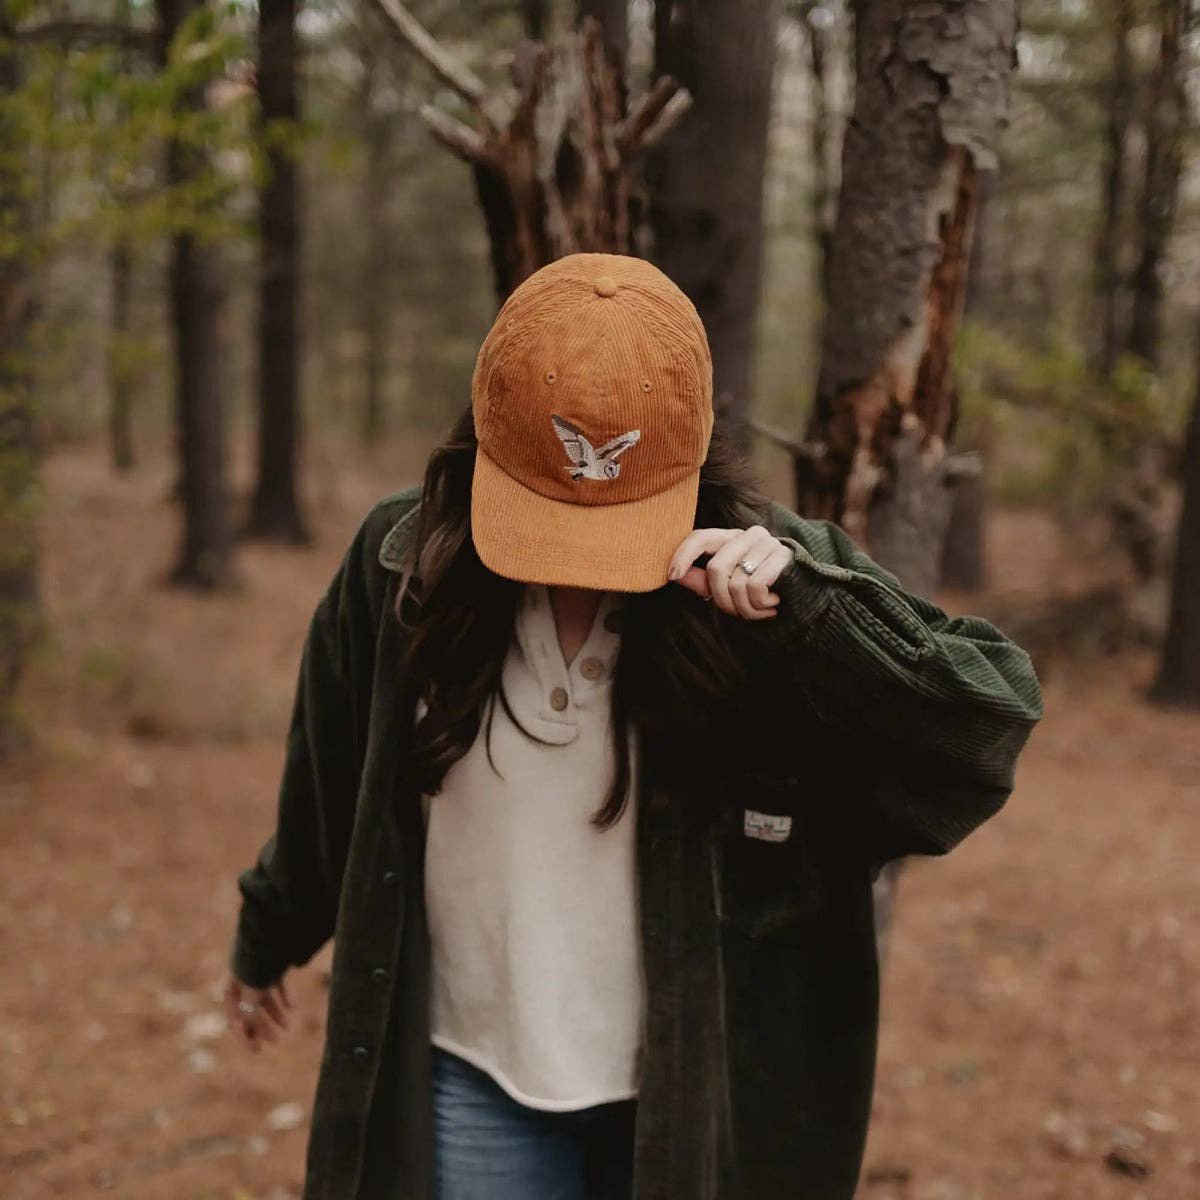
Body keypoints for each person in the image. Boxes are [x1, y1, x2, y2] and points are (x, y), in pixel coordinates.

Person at [223, 253, 1044, 1200]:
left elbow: (983, 732)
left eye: (606, 523)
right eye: (545, 516)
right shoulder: (402, 565)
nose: (577, 564)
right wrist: (268, 931)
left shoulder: (772, 584)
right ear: (487, 439)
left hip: (697, 1103)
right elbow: (329, 784)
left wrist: (814, 616)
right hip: (469, 1069)